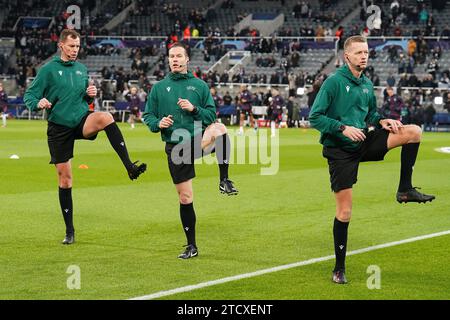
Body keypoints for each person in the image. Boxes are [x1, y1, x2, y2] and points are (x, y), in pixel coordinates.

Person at [309, 36, 435, 285]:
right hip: (340, 151)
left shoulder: (367, 84)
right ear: (347, 56)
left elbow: (370, 114)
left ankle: (405, 190)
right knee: (345, 212)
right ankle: (339, 268)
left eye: (366, 52)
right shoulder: (333, 83)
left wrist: (381, 120)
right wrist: (342, 128)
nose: (364, 56)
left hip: (363, 142)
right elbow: (315, 117)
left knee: (413, 132)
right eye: (358, 53)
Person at [23, 29, 147, 245]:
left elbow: (81, 98)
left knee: (106, 117)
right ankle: (69, 230)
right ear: (61, 45)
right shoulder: (48, 70)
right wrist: (38, 103)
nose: (75, 50)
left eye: (78, 46)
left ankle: (129, 166)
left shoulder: (81, 69)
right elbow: (29, 95)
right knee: (65, 179)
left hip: (80, 120)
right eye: (71, 46)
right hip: (59, 127)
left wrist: (89, 95)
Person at [142, 42, 238, 260]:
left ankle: (225, 180)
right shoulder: (158, 88)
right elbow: (148, 116)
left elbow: (210, 115)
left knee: (220, 129)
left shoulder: (200, 86)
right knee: (185, 198)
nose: (174, 59)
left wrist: (193, 109)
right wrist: (159, 124)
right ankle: (191, 246)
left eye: (178, 56)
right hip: (176, 149)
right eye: (171, 56)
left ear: (187, 60)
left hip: (197, 141)